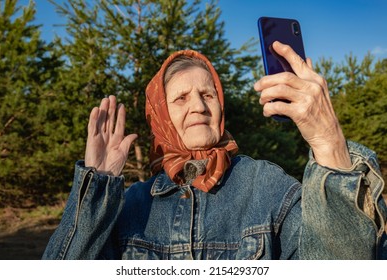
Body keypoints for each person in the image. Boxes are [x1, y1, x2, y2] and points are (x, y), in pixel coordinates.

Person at [42, 41, 387, 260]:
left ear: (221, 106)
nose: (198, 106)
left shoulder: (268, 187)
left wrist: (330, 144)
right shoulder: (131, 205)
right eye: (180, 98)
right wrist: (95, 188)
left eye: (208, 95)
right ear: (160, 116)